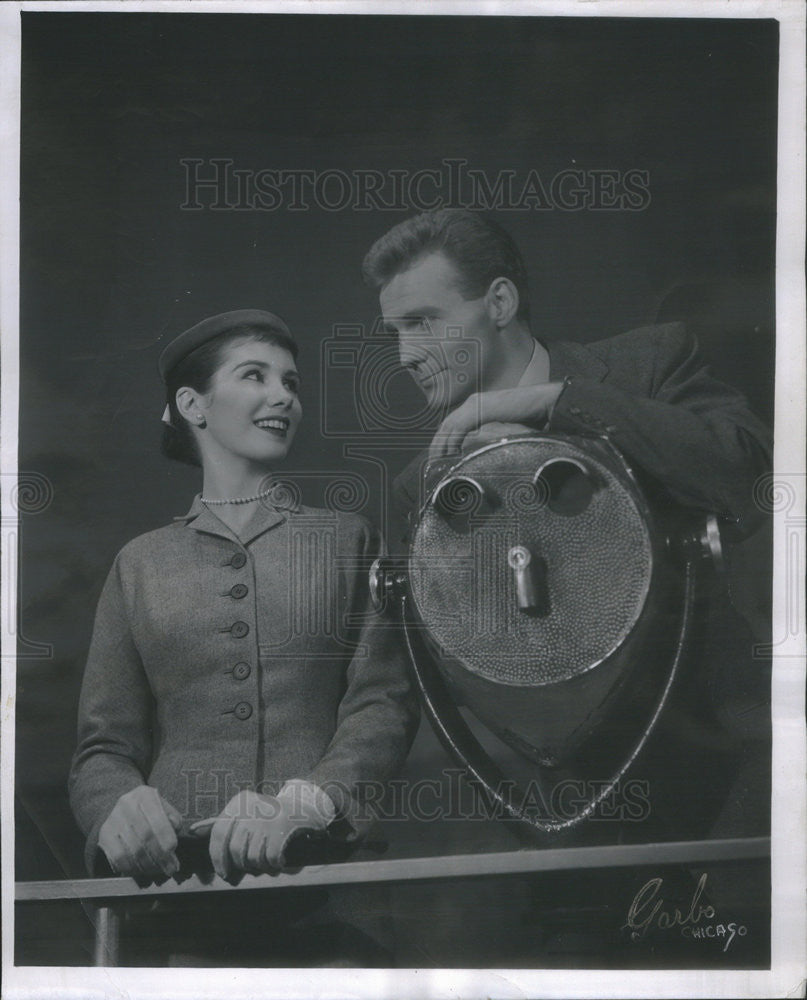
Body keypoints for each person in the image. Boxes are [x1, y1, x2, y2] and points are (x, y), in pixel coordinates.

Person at [68, 309, 418, 963]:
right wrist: (115, 807)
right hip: (175, 907)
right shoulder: (139, 564)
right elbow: (102, 749)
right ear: (192, 404)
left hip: (328, 890)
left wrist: (308, 804)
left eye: (289, 382)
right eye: (254, 376)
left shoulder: (347, 539)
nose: (282, 395)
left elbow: (383, 705)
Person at [361, 209, 772, 552]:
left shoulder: (649, 362)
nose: (404, 356)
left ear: (500, 303)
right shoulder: (417, 486)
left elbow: (760, 480)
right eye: (396, 331)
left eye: (423, 322)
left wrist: (559, 403)